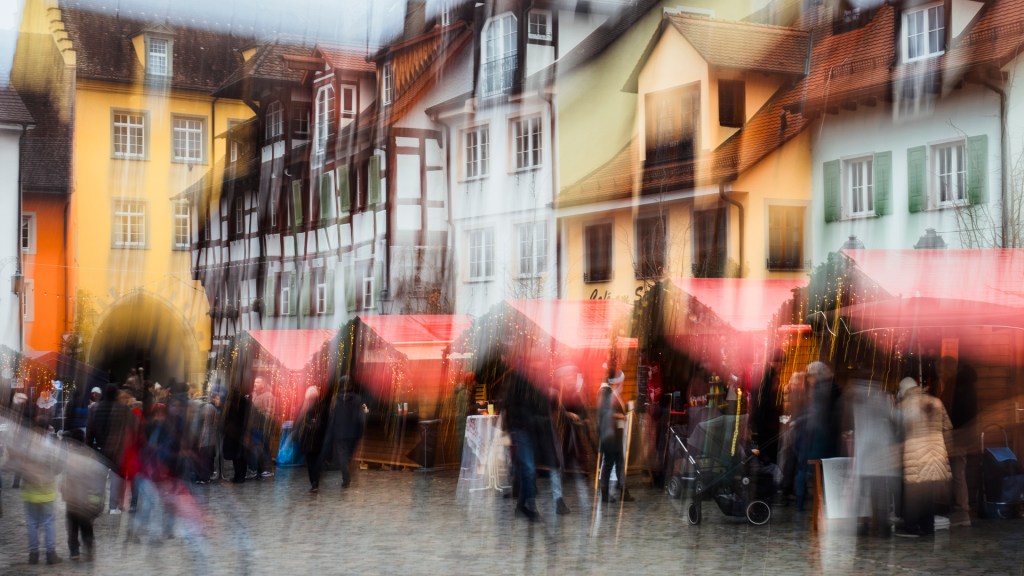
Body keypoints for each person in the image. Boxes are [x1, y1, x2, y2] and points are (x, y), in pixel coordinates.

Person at [896, 376, 952, 537]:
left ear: (903, 391)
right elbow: (948, 426)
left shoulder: (905, 406)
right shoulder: (936, 402)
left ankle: (912, 527)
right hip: (936, 455)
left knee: (913, 495)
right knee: (928, 495)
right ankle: (928, 527)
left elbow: (900, 432)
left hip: (916, 456)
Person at [9, 414, 62, 565]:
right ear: (47, 429)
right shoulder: (51, 445)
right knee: (49, 522)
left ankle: (33, 554)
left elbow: (18, 464)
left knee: (32, 523)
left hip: (30, 491)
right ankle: (51, 554)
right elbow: (58, 466)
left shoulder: (26, 445)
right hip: (47, 490)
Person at [794, 361, 841, 512]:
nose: (808, 380)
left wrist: (798, 422)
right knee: (821, 471)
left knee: (806, 468)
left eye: (810, 376)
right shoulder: (830, 387)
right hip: (825, 435)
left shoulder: (819, 389)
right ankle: (821, 503)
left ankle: (804, 503)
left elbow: (816, 414)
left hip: (818, 436)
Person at [61, 429, 106, 561]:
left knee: (72, 527)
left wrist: (64, 492)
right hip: (87, 499)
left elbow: (66, 478)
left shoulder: (69, 457)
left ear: (73, 442)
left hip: (72, 499)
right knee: (87, 526)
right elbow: (98, 477)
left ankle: (74, 551)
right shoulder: (91, 455)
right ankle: (89, 549)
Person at [86, 383, 132, 513]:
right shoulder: (124, 410)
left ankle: (98, 505)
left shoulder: (95, 408)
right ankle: (113, 507)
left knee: (99, 479)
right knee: (116, 479)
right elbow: (129, 430)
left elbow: (90, 431)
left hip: (99, 449)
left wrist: (89, 448)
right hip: (118, 450)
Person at [597, 369, 633, 504]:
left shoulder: (610, 392)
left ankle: (623, 492)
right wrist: (620, 415)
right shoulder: (605, 392)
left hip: (613, 433)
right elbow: (605, 412)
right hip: (609, 434)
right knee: (609, 464)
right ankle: (606, 494)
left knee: (618, 462)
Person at [326, 377, 366, 489]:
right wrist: (360, 431)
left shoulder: (335, 399)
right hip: (354, 433)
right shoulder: (357, 399)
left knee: (343, 456)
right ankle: (348, 472)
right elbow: (361, 417)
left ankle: (346, 478)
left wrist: (331, 431)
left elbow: (331, 417)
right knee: (349, 455)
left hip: (339, 433)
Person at [297, 386, 330, 492]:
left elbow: (299, 422)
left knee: (310, 463)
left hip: (308, 440)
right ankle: (315, 482)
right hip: (318, 440)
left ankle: (314, 483)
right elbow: (326, 424)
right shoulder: (322, 407)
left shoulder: (304, 407)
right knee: (315, 462)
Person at [251, 376, 276, 479]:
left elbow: (270, 412)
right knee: (256, 448)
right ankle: (258, 469)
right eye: (255, 382)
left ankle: (267, 469)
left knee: (265, 447)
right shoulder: (253, 395)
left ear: (263, 384)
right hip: (255, 427)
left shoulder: (268, 396)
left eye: (258, 382)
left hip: (264, 427)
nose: (255, 384)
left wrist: (259, 417)